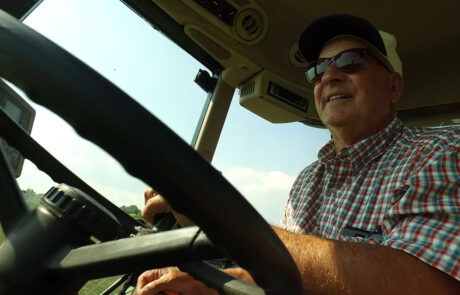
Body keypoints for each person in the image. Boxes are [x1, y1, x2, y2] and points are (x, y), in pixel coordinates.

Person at [136, 14, 460, 295]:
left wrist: (225, 219)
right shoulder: (307, 180)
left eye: (351, 61)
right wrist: (212, 284)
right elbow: (282, 274)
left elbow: (428, 283)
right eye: (318, 69)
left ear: (393, 87)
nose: (329, 76)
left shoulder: (443, 152)